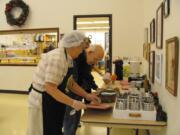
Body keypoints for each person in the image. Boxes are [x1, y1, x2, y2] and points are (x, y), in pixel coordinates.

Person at [27, 31, 100, 135]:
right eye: (81, 48)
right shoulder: (57, 58)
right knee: (42, 130)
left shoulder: (68, 58)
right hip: (42, 101)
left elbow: (70, 82)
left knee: (55, 129)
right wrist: (73, 103)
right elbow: (50, 88)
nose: (81, 52)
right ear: (74, 45)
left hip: (53, 99)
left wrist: (87, 95)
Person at [63, 45, 104, 135]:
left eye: (98, 60)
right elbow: (71, 83)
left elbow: (87, 75)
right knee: (70, 122)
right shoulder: (76, 58)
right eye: (96, 59)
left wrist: (95, 87)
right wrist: (86, 95)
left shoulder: (87, 61)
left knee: (76, 120)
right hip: (70, 94)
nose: (96, 62)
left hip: (78, 92)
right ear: (89, 52)